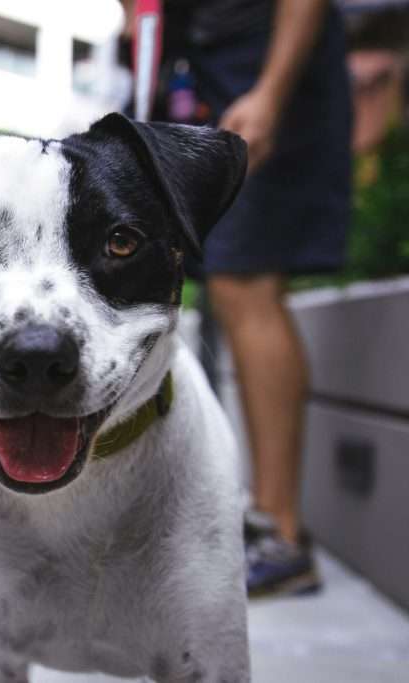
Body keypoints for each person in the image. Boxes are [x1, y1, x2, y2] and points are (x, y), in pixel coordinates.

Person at [127, 0, 353, 597]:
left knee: (244, 281)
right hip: (196, 68)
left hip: (268, 67)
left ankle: (281, 536)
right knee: (186, 277)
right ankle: (227, 521)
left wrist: (273, 92)